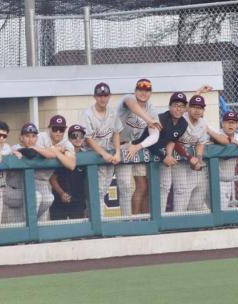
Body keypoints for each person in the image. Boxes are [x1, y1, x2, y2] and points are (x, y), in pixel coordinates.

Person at [127, 91, 191, 215]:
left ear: (185, 109)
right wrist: (164, 156)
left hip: (156, 155)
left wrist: (168, 155)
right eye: (176, 105)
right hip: (141, 151)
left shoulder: (183, 123)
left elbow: (172, 140)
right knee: (141, 187)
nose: (178, 109)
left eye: (182, 106)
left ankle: (146, 219)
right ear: (170, 106)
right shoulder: (160, 119)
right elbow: (151, 143)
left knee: (150, 188)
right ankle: (134, 219)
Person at [116, 78, 162, 216]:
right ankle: (126, 222)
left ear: (151, 93)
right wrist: (149, 120)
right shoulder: (128, 98)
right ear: (135, 91)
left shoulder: (151, 108)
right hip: (117, 145)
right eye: (140, 90)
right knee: (125, 187)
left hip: (134, 146)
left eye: (147, 90)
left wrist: (138, 146)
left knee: (142, 185)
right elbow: (132, 105)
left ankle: (138, 219)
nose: (144, 93)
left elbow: (155, 136)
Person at [79, 82, 124, 212]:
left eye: (105, 95)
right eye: (100, 96)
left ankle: (94, 218)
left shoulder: (112, 112)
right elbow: (88, 139)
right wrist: (103, 154)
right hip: (91, 157)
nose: (103, 98)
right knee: (96, 191)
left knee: (103, 190)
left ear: (109, 96)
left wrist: (117, 152)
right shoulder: (87, 114)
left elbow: (116, 132)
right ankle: (97, 220)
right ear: (95, 96)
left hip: (108, 155)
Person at [167, 95, 213, 213]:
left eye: (200, 108)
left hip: (189, 160)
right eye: (194, 107)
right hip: (176, 159)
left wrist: (199, 160)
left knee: (193, 189)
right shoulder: (181, 119)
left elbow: (200, 143)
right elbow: (173, 141)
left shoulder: (203, 123)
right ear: (188, 108)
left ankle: (188, 218)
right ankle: (178, 218)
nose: (197, 110)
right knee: (180, 189)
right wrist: (189, 157)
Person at [32, 115, 77, 222]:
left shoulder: (66, 143)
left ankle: (35, 223)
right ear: (49, 128)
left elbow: (71, 165)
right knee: (29, 210)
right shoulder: (41, 137)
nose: (58, 132)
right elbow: (38, 153)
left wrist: (56, 152)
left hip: (43, 181)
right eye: (55, 128)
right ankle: (31, 223)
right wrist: (56, 151)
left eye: (61, 129)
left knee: (48, 200)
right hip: (29, 178)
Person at [2, 123, 42, 225]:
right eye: (27, 136)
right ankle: (30, 224)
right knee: (35, 196)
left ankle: (30, 224)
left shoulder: (39, 148)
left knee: (15, 227)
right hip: (12, 192)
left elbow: (49, 153)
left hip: (25, 192)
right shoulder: (14, 148)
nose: (30, 139)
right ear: (21, 138)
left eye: (33, 136)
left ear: (37, 138)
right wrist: (17, 152)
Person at [49, 124, 89, 220]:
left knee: (78, 228)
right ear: (69, 138)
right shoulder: (62, 154)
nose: (78, 139)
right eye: (74, 136)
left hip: (78, 201)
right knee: (58, 228)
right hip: (59, 200)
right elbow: (52, 178)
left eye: (81, 136)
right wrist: (61, 193)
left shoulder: (87, 155)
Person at [212, 110, 238, 209]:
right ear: (222, 123)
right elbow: (222, 140)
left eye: (233, 122)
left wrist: (233, 140)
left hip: (228, 181)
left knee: (222, 209)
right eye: (228, 122)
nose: (230, 124)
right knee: (219, 210)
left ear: (237, 125)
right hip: (215, 180)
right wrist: (232, 141)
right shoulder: (217, 134)